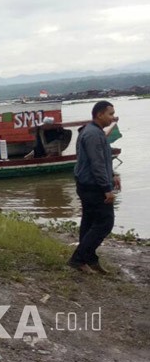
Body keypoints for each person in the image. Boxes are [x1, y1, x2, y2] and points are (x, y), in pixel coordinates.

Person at [68, 101, 120, 274]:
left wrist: (113, 175)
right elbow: (96, 164)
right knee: (105, 222)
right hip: (93, 187)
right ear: (99, 114)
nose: (113, 117)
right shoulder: (93, 135)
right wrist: (107, 188)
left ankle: (88, 259)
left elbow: (104, 159)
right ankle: (78, 259)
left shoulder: (95, 132)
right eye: (110, 114)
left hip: (89, 184)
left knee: (89, 222)